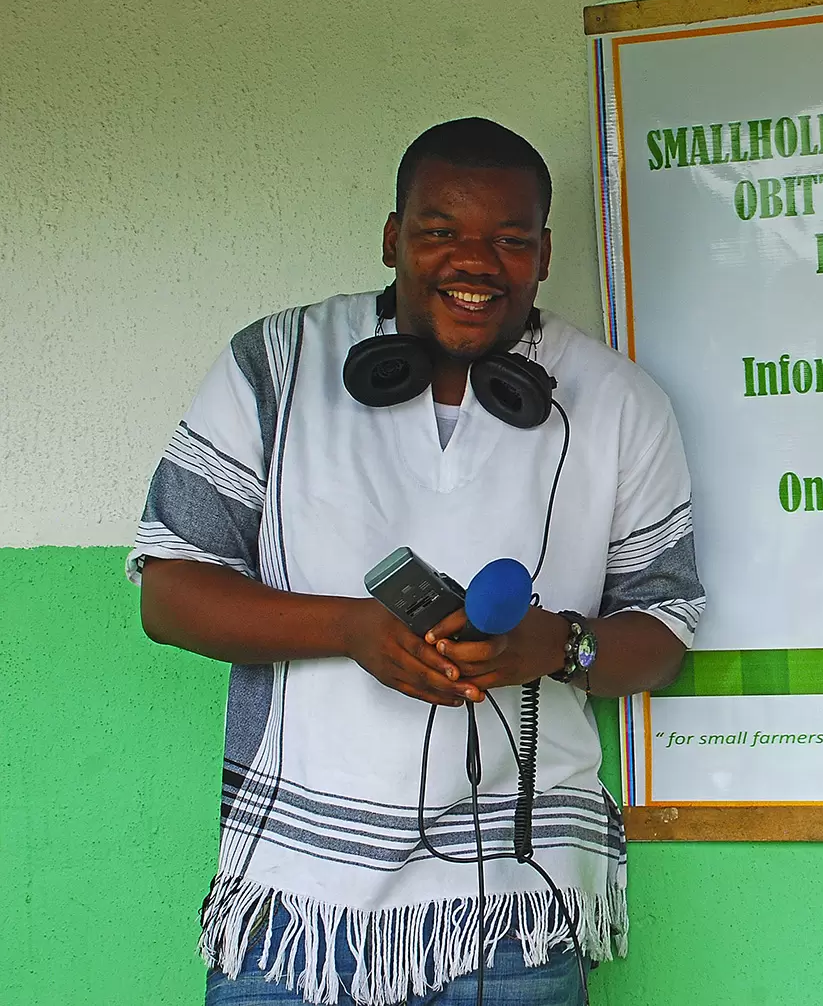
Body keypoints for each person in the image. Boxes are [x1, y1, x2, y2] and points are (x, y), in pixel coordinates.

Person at [129, 117, 703, 1005]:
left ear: (544, 255)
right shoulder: (276, 363)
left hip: (519, 912)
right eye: (440, 232)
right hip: (295, 909)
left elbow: (660, 635)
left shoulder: (621, 402)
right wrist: (352, 631)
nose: (474, 262)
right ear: (394, 237)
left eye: (509, 240)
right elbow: (168, 594)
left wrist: (553, 647)